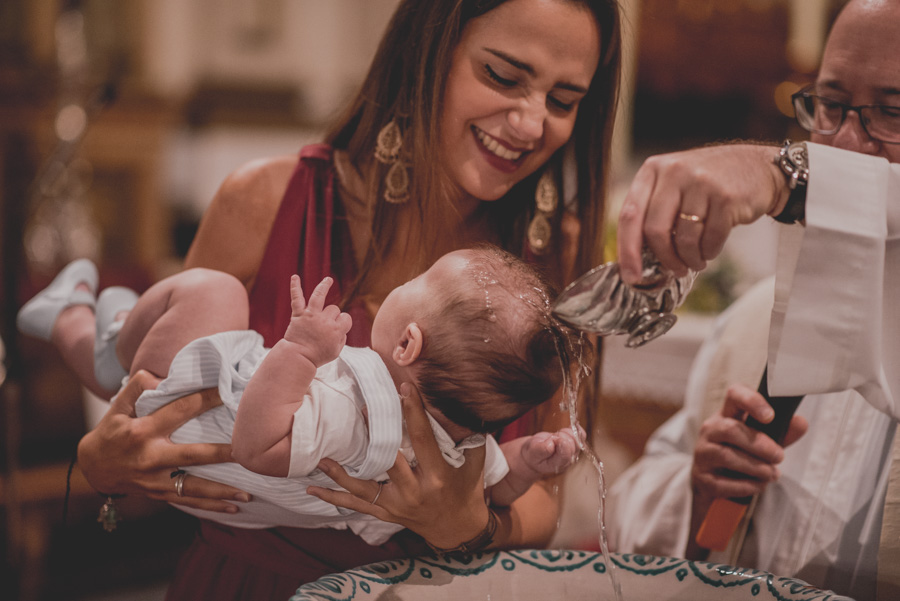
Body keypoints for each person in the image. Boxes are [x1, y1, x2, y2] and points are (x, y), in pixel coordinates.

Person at [64, 1, 622, 599]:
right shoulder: (266, 200)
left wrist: (475, 526)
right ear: (428, 55)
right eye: (503, 77)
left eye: (563, 101)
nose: (532, 124)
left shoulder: (564, 260)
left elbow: (549, 496)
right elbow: (153, 407)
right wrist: (103, 466)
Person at [609, 0, 900, 598]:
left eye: (893, 113)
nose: (845, 145)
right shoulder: (753, 322)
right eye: (830, 105)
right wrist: (697, 492)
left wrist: (779, 173)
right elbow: (628, 517)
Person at [18, 247, 585, 543]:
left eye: (414, 284)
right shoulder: (452, 453)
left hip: (194, 419)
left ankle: (101, 333)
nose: (400, 285)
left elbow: (256, 446)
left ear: (408, 342)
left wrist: (297, 352)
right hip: (231, 495)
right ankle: (93, 325)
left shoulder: (347, 411)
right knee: (172, 320)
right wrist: (525, 462)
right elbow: (495, 489)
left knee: (212, 291)